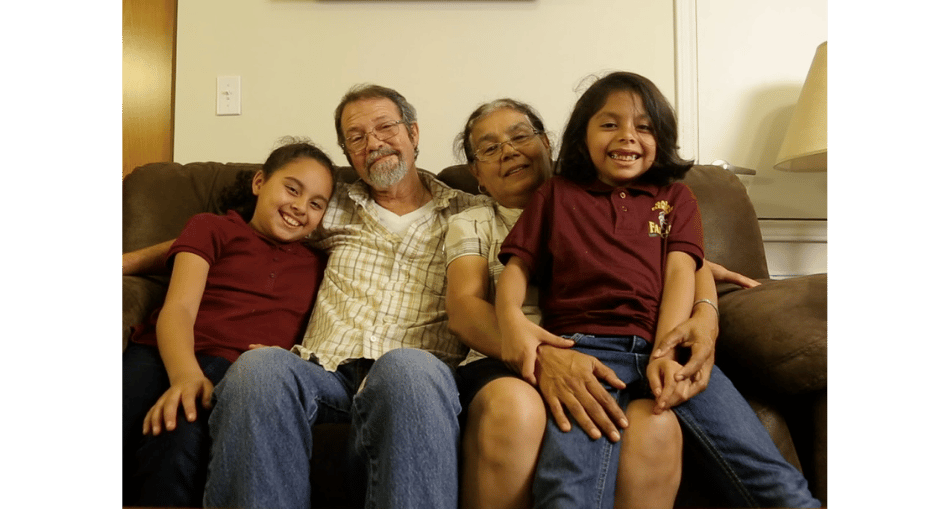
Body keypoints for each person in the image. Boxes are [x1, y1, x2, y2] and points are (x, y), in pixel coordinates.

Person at [495, 71, 821, 508]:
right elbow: (517, 267)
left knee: (776, 483)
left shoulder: (676, 197)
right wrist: (512, 321)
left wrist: (665, 351)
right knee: (567, 492)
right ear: (582, 135)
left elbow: (682, 271)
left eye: (644, 126)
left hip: (665, 348)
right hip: (582, 355)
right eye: (609, 124)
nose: (627, 136)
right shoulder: (555, 194)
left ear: (660, 138)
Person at [199, 84, 487, 509]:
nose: (373, 143)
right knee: (258, 366)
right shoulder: (327, 206)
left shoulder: (471, 213)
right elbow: (237, 233)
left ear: (413, 133)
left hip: (414, 381)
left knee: (406, 368)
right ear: (348, 156)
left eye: (385, 127)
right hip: (325, 372)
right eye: (356, 137)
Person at [446, 98, 687, 509]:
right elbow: (464, 308)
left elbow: (674, 258)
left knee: (657, 426)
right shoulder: (472, 222)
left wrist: (705, 296)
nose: (508, 150)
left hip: (606, 357)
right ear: (478, 176)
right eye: (488, 148)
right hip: (504, 362)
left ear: (547, 144)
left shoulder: (607, 203)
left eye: (520, 136)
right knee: (515, 408)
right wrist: (541, 356)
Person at [121, 140, 335, 507]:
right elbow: (179, 309)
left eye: (316, 204)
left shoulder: (320, 262)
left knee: (175, 438)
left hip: (237, 372)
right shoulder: (212, 228)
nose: (300, 207)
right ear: (259, 183)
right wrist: (185, 375)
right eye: (292, 189)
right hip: (162, 350)